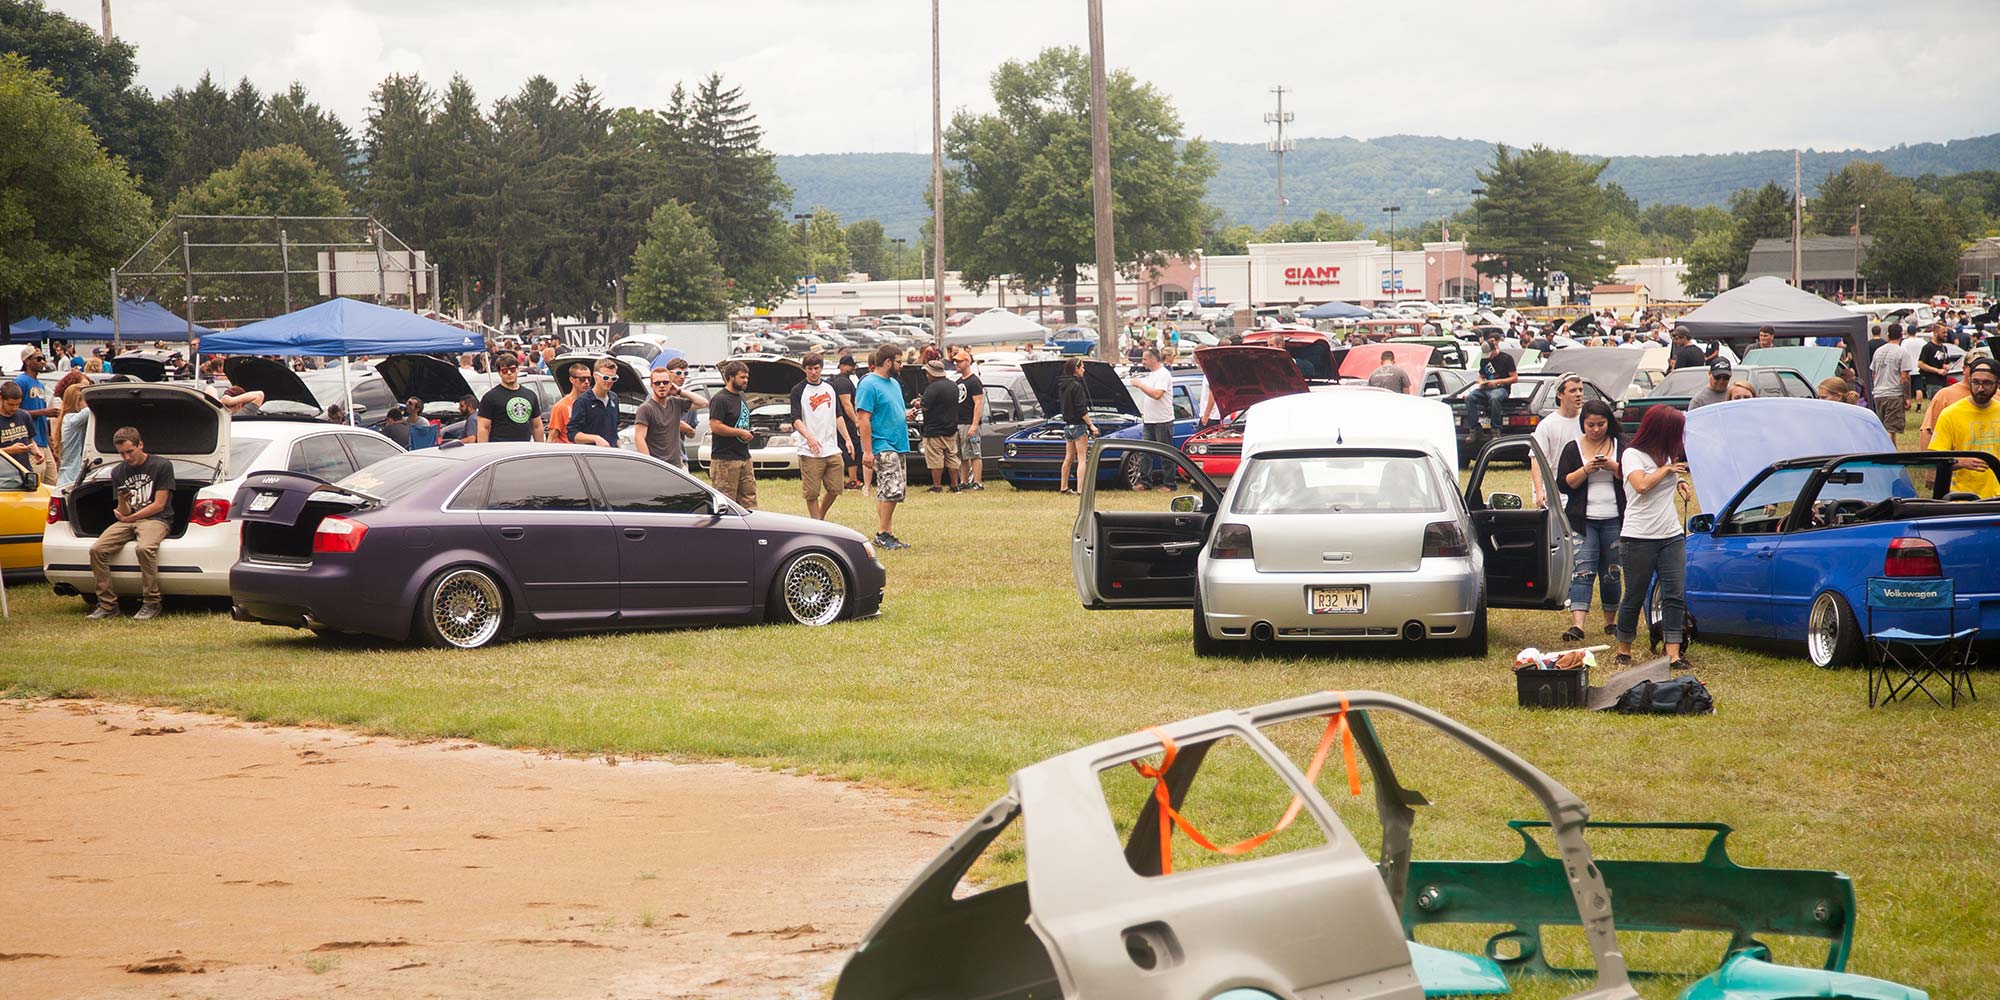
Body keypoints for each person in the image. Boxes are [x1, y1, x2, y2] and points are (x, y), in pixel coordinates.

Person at [1613, 406, 1692, 672]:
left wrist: (1679, 482)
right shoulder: (1632, 455)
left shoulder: (1667, 455)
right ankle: (1624, 649)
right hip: (1638, 538)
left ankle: (1673, 654)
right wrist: (1667, 470)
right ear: (1661, 431)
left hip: (1671, 536)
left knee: (1674, 594)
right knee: (1634, 595)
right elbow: (1641, 485)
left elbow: (1666, 477)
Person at [87, 426, 175, 621]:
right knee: (97, 549)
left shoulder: (162, 465)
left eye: (130, 451)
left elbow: (159, 505)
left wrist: (129, 518)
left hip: (157, 519)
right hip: (129, 519)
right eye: (121, 453)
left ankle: (151, 601)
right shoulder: (118, 471)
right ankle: (107, 605)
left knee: (144, 548)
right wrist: (122, 501)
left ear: (140, 445)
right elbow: (125, 511)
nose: (126, 457)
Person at [1556, 399, 1626, 642]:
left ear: (1609, 423)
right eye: (1590, 425)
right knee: (1582, 571)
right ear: (1583, 424)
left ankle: (1610, 622)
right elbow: (1564, 484)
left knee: (1612, 572)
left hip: (1615, 519)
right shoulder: (1572, 448)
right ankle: (1578, 625)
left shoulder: (1621, 445)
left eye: (1601, 424)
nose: (1596, 429)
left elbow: (1633, 477)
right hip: (1582, 521)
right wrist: (1587, 469)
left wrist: (1612, 466)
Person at [854, 346, 913, 549]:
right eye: (898, 361)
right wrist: (868, 451)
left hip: (898, 444)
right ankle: (882, 534)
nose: (901, 365)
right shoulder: (868, 384)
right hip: (882, 444)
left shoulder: (894, 383)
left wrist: (905, 414)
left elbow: (890, 410)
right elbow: (863, 418)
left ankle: (888, 533)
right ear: (888, 362)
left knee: (890, 491)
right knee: (892, 489)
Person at [1928, 357, 2000, 497]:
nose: (1980, 388)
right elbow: (1936, 459)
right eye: (1976, 382)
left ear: (1997, 384)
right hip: (1963, 499)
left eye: (1986, 383)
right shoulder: (1950, 414)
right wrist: (1962, 462)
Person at [791, 352, 850, 519]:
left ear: (821, 368)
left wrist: (847, 439)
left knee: (835, 488)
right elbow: (795, 419)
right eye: (809, 369)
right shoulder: (798, 390)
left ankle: (820, 518)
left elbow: (838, 415)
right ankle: (817, 523)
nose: (813, 372)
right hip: (809, 451)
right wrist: (809, 437)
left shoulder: (830, 388)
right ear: (804, 369)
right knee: (812, 493)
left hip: (831, 447)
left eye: (816, 368)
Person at [634, 357, 704, 467]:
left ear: (670, 384)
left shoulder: (677, 403)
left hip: (678, 462)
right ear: (652, 385)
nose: (661, 385)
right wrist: (649, 464)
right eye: (657, 383)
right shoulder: (646, 408)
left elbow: (703, 403)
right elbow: (639, 438)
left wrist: (680, 391)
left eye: (665, 382)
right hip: (658, 465)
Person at [707, 360, 757, 508]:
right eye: (742, 377)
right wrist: (739, 432)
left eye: (747, 377)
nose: (745, 380)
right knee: (726, 504)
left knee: (749, 500)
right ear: (730, 377)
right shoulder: (720, 399)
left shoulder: (741, 395)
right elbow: (715, 426)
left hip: (744, 457)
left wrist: (747, 432)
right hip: (725, 460)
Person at [1531, 374, 1585, 509]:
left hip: (1583, 491)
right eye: (1573, 390)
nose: (1578, 394)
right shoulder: (1547, 425)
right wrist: (1539, 491)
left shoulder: (1588, 421)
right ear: (1559, 395)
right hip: (1556, 494)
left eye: (1580, 390)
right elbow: (1537, 460)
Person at [1127, 348, 1175, 490]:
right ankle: (1145, 482)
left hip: (1162, 420)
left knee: (1165, 454)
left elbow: (1157, 395)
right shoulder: (1151, 375)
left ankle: (1169, 484)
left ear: (1154, 359)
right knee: (1145, 453)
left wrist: (1140, 385)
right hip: (1149, 420)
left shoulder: (1163, 374)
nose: (1143, 362)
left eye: (1145, 359)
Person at [475, 352, 544, 443]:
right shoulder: (490, 397)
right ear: (499, 373)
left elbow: (537, 426)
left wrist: (540, 447)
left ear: (517, 370)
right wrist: (484, 449)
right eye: (504, 370)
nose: (509, 373)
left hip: (525, 447)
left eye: (512, 369)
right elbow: (483, 427)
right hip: (500, 447)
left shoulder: (530, 395)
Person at [1918, 350, 1982, 448]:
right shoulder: (1945, 395)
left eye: (1983, 368)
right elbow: (1928, 430)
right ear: (1964, 369)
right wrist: (1927, 457)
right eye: (1974, 367)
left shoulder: (1996, 395)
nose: (1979, 371)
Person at [10, 348, 57, 481]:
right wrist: (44, 412)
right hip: (30, 442)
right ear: (27, 361)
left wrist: (50, 444)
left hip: (43, 441)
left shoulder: (40, 385)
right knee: (35, 482)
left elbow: (43, 418)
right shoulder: (21, 381)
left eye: (44, 359)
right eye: (38, 359)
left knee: (52, 482)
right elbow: (14, 411)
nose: (42, 362)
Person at [1055, 356, 1097, 495]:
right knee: (1082, 458)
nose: (1084, 370)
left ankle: (1064, 487)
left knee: (1068, 458)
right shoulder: (1076, 386)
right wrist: (1091, 425)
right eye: (1082, 367)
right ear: (1076, 369)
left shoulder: (1062, 386)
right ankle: (1081, 490)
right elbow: (1081, 409)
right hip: (1079, 426)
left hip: (1068, 427)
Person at [917, 359, 961, 493]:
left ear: (932, 373)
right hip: (951, 428)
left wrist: (917, 402)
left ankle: (937, 486)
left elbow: (924, 406)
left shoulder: (933, 387)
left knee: (935, 459)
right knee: (952, 457)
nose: (926, 375)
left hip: (934, 429)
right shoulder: (953, 386)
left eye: (927, 373)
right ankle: (955, 485)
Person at [1464, 334, 1516, 431]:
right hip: (1486, 388)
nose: (1488, 357)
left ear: (1494, 349)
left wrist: (1496, 382)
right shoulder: (1484, 361)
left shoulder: (1507, 358)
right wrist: (1481, 382)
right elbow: (1481, 376)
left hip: (1501, 388)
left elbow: (1514, 378)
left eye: (1490, 354)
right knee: (1469, 398)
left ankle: (1496, 428)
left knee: (1494, 398)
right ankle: (1475, 428)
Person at [568, 358, 622, 447]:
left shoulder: (614, 398)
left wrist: (618, 444)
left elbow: (614, 429)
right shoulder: (583, 401)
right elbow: (572, 434)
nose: (609, 381)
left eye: (613, 378)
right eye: (605, 378)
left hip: (611, 452)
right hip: (591, 453)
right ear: (595, 376)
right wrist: (595, 439)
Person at [951, 349, 985, 490]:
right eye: (955, 362)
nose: (956, 364)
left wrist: (974, 424)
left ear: (967, 362)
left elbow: (978, 403)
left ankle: (977, 482)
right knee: (962, 455)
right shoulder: (958, 382)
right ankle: (964, 482)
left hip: (969, 423)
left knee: (974, 453)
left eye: (959, 361)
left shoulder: (974, 382)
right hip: (959, 423)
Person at [829, 355, 865, 491]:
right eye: (851, 365)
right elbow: (846, 404)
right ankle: (853, 480)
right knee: (852, 448)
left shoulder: (841, 380)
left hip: (840, 420)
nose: (853, 368)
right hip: (846, 420)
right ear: (842, 366)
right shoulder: (843, 382)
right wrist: (856, 421)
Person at [1870, 324, 1911, 434]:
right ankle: (1889, 446)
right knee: (1891, 430)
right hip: (1894, 394)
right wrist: (1907, 397)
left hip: (1878, 394)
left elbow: (1873, 374)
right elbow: (1904, 377)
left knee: (1882, 429)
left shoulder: (1878, 351)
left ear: (1888, 335)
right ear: (1901, 335)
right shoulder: (1902, 352)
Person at [54, 382, 88, 488]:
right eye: (86, 400)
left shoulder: (67, 418)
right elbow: (89, 410)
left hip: (68, 476)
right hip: (70, 478)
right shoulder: (71, 420)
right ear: (76, 402)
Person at [548, 361, 590, 445]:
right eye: (582, 379)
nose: (586, 382)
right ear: (571, 380)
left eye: (589, 379)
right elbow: (552, 438)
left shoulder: (592, 404)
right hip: (568, 450)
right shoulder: (561, 407)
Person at [1916, 323, 1954, 410]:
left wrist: (1946, 366)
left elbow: (1946, 362)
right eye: (1943, 332)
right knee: (1937, 407)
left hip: (1943, 382)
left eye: (1946, 332)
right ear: (1935, 333)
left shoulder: (1944, 348)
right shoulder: (1928, 347)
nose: (1946, 335)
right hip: (1932, 383)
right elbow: (1920, 364)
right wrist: (1937, 370)